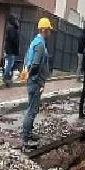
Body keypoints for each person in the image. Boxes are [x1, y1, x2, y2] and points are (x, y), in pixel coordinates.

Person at [22, 17, 53, 147]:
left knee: (33, 107)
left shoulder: (35, 41)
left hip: (33, 80)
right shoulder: (40, 44)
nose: (50, 32)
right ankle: (26, 136)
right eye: (49, 30)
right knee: (32, 109)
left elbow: (27, 58)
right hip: (35, 82)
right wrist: (35, 79)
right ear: (44, 30)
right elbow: (35, 64)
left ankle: (28, 133)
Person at [3, 15, 20, 85]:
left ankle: (8, 77)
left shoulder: (11, 28)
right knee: (9, 64)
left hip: (9, 49)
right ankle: (6, 77)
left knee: (10, 64)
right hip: (10, 50)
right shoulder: (12, 29)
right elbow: (13, 39)